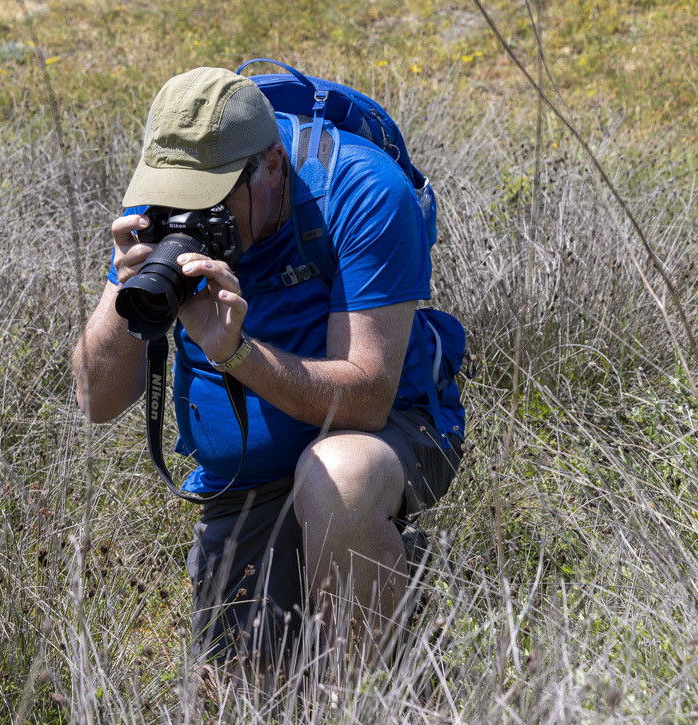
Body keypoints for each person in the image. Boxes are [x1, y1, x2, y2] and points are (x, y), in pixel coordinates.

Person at [72, 66, 464, 669]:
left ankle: (365, 720)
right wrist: (126, 288)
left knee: (337, 478)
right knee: (255, 704)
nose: (189, 217)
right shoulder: (163, 213)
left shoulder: (361, 190)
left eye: (209, 200)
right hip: (246, 484)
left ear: (273, 168)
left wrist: (236, 353)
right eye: (176, 197)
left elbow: (366, 397)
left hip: (382, 435)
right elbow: (97, 402)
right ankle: (371, 580)